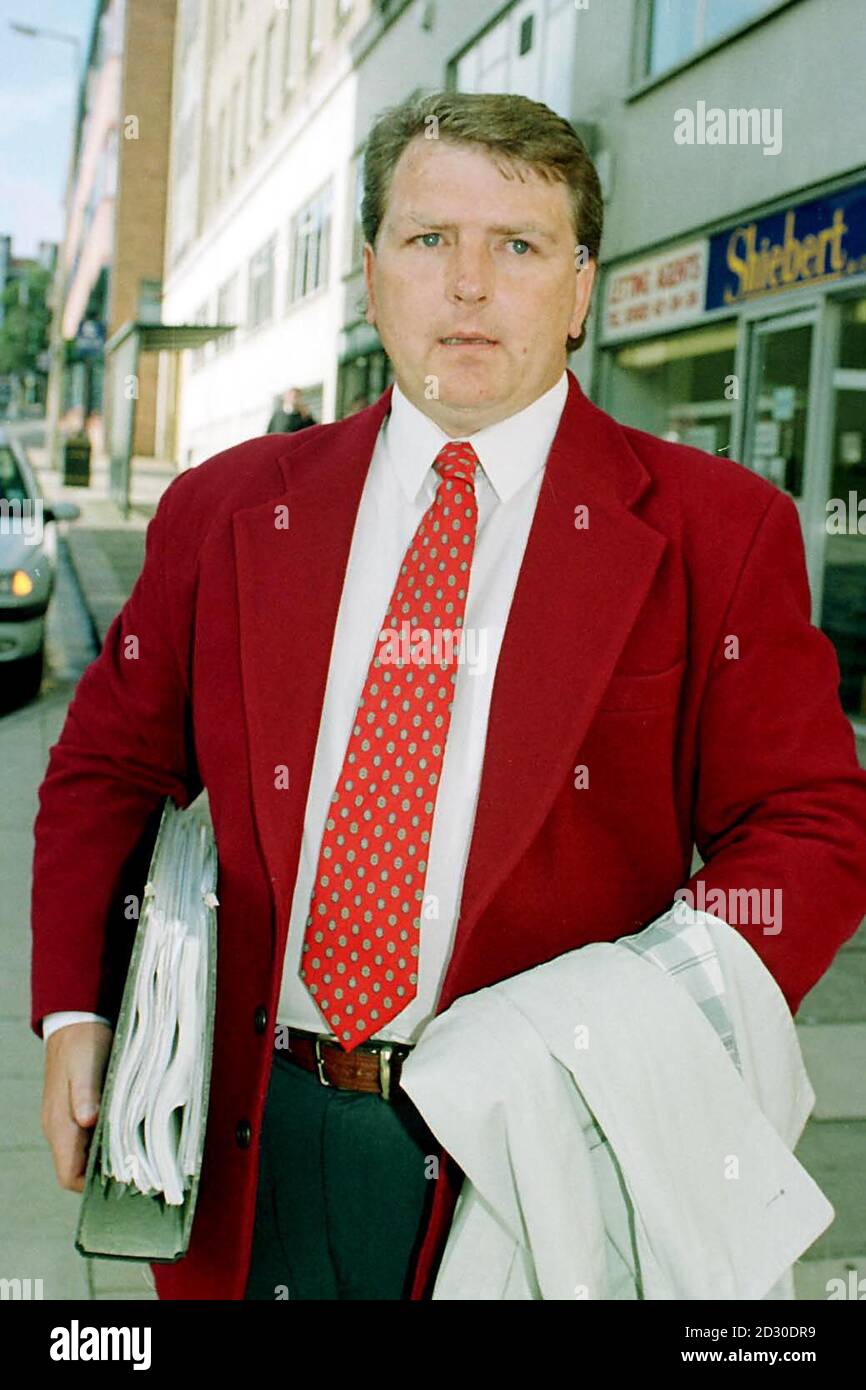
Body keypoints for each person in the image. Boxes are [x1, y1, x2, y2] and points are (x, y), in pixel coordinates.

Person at [33, 90, 866, 1301]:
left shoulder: (713, 531)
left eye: (517, 247)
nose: (468, 286)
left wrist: (621, 1019)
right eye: (429, 241)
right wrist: (76, 1009)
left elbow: (810, 828)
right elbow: (108, 765)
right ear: (370, 272)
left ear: (579, 290)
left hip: (543, 1163)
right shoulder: (227, 509)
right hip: (246, 1139)